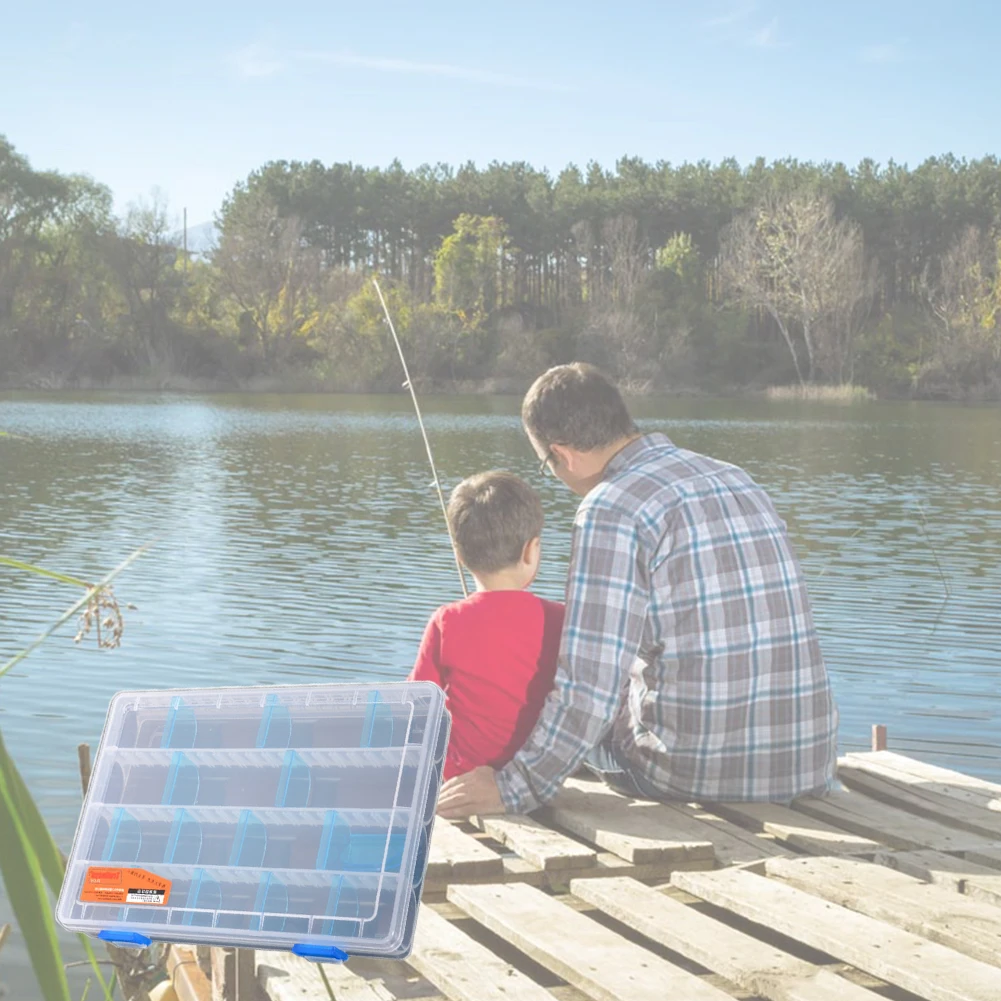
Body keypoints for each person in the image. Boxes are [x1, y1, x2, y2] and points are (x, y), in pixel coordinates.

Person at [437, 362, 838, 818]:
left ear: (563, 454)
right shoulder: (735, 477)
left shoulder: (610, 508)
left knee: (551, 716)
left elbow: (588, 688)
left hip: (691, 774)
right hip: (806, 764)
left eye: (548, 466)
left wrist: (513, 787)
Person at [408, 470, 565, 782]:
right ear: (531, 550)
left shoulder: (447, 621)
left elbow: (416, 702)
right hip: (533, 774)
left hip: (458, 774)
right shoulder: (561, 619)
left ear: (459, 556)